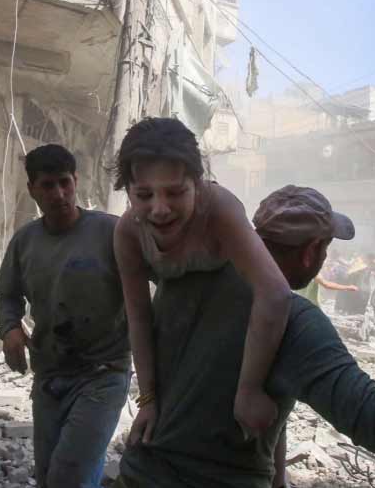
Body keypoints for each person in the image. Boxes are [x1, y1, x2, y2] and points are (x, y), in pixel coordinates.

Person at [110, 185, 375, 488]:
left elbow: (262, 388)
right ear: (311, 251)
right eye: (325, 249)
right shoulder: (295, 322)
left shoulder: (183, 279)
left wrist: (277, 485)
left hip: (135, 480)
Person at [112, 117, 292, 442]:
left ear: (197, 182)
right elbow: (138, 317)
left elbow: (275, 293)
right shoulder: (128, 232)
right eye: (144, 194)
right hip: (179, 320)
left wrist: (249, 389)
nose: (159, 208)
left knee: (259, 421)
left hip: (236, 316)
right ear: (128, 192)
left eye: (175, 192)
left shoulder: (220, 209)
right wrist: (148, 400)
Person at [0, 145, 130, 488]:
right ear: (32, 190)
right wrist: (10, 329)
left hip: (103, 374)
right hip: (50, 376)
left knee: (70, 480)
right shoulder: (25, 241)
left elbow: (157, 285)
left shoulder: (111, 232)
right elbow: (7, 296)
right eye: (48, 185)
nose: (59, 194)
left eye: (65, 183)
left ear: (76, 181)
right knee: (48, 482)